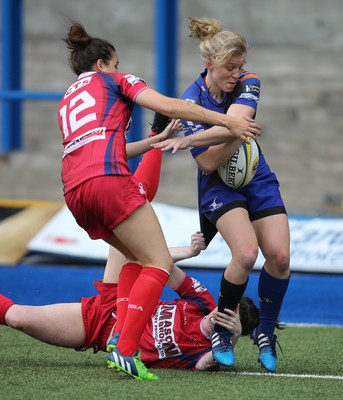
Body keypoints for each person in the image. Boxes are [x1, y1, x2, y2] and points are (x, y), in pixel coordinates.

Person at [57, 21, 261, 380]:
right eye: (116, 63)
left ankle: (121, 333)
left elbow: (110, 146)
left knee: (137, 256)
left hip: (74, 189)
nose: (119, 69)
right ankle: (125, 349)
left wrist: (156, 140)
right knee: (159, 261)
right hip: (106, 181)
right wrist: (228, 124)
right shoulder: (115, 80)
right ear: (103, 63)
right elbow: (171, 105)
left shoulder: (69, 99)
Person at [152, 17, 291, 373]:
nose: (237, 73)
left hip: (255, 174)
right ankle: (222, 332)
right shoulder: (190, 98)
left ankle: (263, 331)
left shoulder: (250, 80)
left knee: (279, 256)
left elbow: (239, 120)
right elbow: (212, 161)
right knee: (245, 254)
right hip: (218, 183)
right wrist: (228, 129)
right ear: (208, 64)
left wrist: (194, 137)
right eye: (230, 67)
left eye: (240, 66)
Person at [0, 232, 259, 373]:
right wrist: (188, 252)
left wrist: (231, 338)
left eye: (227, 319)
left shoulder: (204, 351)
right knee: (123, 229)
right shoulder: (201, 300)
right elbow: (162, 265)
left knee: (16, 318)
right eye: (223, 308)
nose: (217, 315)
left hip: (101, 329)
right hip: (118, 297)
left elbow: (211, 363)